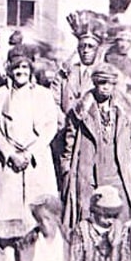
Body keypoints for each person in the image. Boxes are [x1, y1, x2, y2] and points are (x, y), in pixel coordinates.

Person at [0, 45, 60, 242]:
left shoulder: (43, 94)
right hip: (8, 163)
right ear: (10, 70)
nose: (21, 72)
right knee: (7, 214)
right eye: (17, 68)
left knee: (38, 216)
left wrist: (30, 153)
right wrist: (10, 154)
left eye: (25, 68)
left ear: (31, 70)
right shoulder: (0, 94)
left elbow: (50, 126)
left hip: (35, 162)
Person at [62, 62, 131, 227]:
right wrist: (66, 165)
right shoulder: (81, 110)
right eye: (102, 83)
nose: (106, 87)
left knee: (119, 214)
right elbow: (69, 140)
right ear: (95, 83)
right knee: (90, 215)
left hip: (118, 170)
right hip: (89, 171)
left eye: (110, 83)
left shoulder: (124, 109)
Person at [53, 10, 109, 177]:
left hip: (89, 134)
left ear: (97, 49)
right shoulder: (65, 72)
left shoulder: (103, 74)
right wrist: (60, 118)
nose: (85, 50)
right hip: (64, 132)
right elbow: (54, 99)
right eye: (82, 46)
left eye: (90, 47)